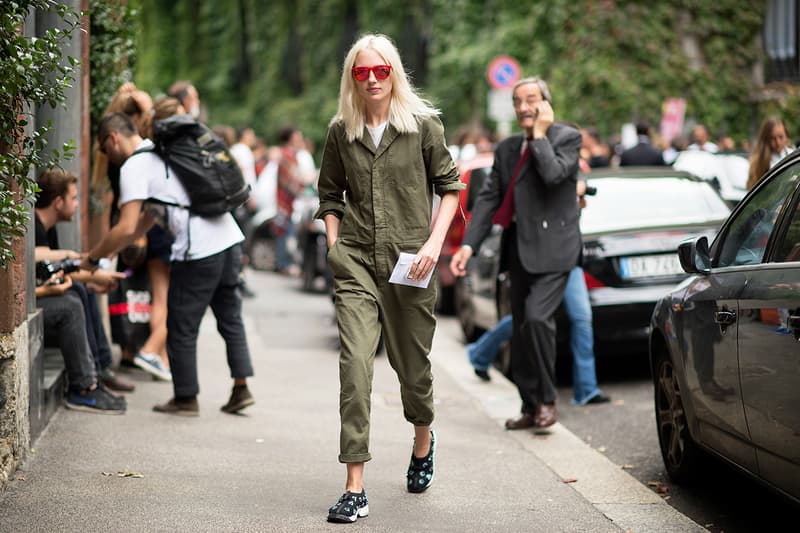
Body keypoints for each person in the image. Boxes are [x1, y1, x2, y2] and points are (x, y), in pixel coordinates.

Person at [316, 33, 464, 523]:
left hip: (411, 264)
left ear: (394, 72)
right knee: (355, 369)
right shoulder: (342, 131)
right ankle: (354, 486)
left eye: (381, 70)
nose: (373, 79)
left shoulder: (423, 125)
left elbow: (449, 187)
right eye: (363, 72)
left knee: (412, 370)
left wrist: (433, 245)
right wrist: (336, 246)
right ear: (352, 79)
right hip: (356, 260)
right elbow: (329, 195)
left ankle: (422, 438)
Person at [82, 112, 255, 416]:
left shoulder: (135, 166)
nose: (107, 157)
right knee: (230, 318)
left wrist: (93, 257)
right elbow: (142, 225)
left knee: (180, 324)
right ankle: (241, 388)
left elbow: (125, 227)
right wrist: (110, 253)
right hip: (228, 238)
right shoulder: (161, 152)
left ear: (113, 139)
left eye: (105, 150)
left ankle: (186, 398)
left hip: (199, 249)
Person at [450, 76, 583, 431]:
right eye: (517, 101)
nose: (524, 107)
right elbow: (489, 199)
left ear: (546, 103)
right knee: (522, 330)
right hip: (518, 251)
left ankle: (548, 401)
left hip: (556, 250)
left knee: (538, 319)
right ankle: (529, 404)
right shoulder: (507, 149)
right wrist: (468, 246)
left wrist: (539, 135)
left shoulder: (567, 139)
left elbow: (554, 176)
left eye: (531, 100)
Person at [465, 182, 609, 406]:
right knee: (528, 316)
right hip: (543, 261)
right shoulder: (541, 178)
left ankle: (586, 389)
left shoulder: (569, 175)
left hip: (569, 259)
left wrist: (575, 198)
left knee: (580, 318)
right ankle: (481, 353)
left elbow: (578, 209)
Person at [34, 170, 129, 414]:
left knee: (79, 288)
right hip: (32, 304)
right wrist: (73, 257)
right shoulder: (32, 225)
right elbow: (38, 259)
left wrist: (95, 278)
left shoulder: (48, 228)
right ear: (58, 202)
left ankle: (98, 370)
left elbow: (59, 273)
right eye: (74, 198)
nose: (77, 205)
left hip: (41, 296)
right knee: (70, 304)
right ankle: (83, 388)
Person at [747, 116, 794, 190]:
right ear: (766, 139)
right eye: (773, 138)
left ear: (786, 135)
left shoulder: (793, 155)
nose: (777, 142)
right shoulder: (759, 162)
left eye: (781, 137)